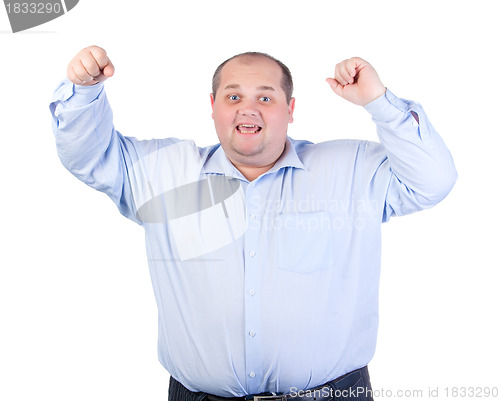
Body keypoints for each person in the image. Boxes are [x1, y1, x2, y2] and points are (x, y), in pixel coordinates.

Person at [50, 46, 457, 401]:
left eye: (266, 96)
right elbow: (89, 156)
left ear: (290, 109)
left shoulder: (351, 169)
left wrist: (379, 102)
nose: (249, 108)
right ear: (212, 106)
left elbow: (433, 180)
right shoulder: (162, 172)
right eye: (233, 95)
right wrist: (84, 91)